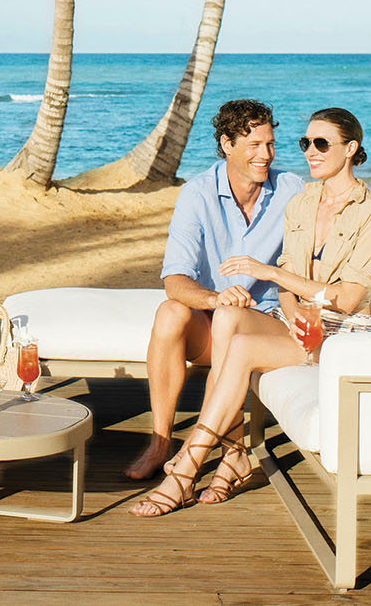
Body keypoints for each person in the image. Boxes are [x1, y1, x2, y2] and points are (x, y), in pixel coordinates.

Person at [131, 107, 371, 516]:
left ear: (351, 148)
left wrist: (269, 275)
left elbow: (345, 297)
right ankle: (221, 453)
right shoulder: (303, 202)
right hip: (288, 324)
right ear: (227, 146)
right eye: (305, 143)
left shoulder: (369, 210)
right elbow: (287, 274)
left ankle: (187, 467)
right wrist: (292, 312)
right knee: (222, 318)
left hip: (344, 333)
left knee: (238, 345)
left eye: (320, 143)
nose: (307, 151)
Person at [123, 98, 303, 482]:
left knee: (231, 317)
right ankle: (160, 442)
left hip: (266, 321)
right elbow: (174, 280)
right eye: (254, 145)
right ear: (227, 145)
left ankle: (231, 449)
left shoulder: (291, 189)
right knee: (170, 312)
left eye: (270, 144)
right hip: (214, 320)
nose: (265, 155)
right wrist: (214, 298)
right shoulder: (197, 193)